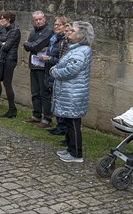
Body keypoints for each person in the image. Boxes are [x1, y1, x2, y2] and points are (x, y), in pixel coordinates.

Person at [51, 21, 94, 163]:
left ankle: (76, 154)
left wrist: (54, 71)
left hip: (74, 93)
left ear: (81, 35)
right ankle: (70, 148)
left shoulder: (81, 51)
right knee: (69, 121)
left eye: (72, 31)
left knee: (73, 123)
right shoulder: (74, 49)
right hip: (70, 92)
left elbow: (70, 71)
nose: (68, 33)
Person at [22, 10, 54, 126]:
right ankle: (36, 115)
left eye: (40, 19)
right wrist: (30, 45)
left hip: (44, 66)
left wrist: (30, 45)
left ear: (44, 19)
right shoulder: (33, 32)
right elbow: (28, 46)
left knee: (44, 92)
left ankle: (47, 119)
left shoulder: (48, 31)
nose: (38, 22)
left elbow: (35, 45)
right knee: (35, 92)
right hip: (34, 64)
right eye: (36, 20)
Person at [38, 16, 68, 132]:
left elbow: (63, 61)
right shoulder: (53, 39)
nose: (56, 27)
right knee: (52, 99)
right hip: (49, 71)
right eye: (55, 24)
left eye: (59, 25)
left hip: (57, 73)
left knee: (59, 100)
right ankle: (57, 124)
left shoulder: (65, 41)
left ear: (65, 26)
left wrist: (49, 58)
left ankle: (62, 127)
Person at [0, 11, 21, 118]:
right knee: (2, 82)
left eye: (3, 18)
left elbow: (6, 46)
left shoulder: (15, 30)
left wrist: (2, 44)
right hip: (4, 59)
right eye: (1, 18)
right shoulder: (6, 30)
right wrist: (1, 44)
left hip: (10, 60)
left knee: (7, 84)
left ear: (9, 20)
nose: (1, 20)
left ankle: (12, 109)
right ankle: (12, 109)